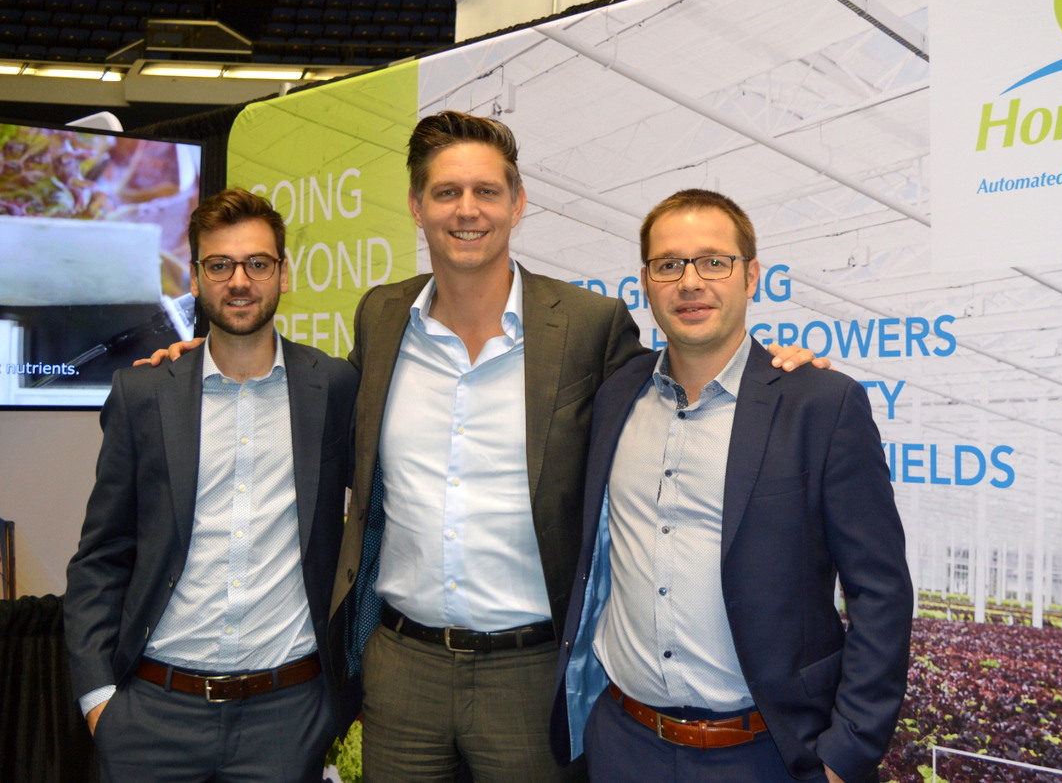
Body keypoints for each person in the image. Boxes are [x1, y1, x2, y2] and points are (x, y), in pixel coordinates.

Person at [328, 112, 825, 782]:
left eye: (486, 191)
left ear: (518, 203)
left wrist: (772, 373)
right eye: (446, 192)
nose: (467, 210)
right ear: (417, 206)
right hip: (401, 665)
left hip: (531, 673)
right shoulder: (382, 316)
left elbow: (678, 385)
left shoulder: (589, 325)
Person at [550, 189, 914, 782]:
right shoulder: (616, 395)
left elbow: (881, 592)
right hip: (623, 744)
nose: (690, 282)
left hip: (768, 754)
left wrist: (846, 754)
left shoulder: (820, 405)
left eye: (714, 262)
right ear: (645, 282)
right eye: (669, 264)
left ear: (751, 277)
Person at [64, 188, 359, 783]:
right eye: (220, 265)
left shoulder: (333, 387)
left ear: (283, 274)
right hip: (152, 718)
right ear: (196, 279)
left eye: (257, 263)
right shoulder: (144, 394)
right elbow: (101, 556)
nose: (239, 281)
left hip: (287, 721)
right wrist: (99, 701)